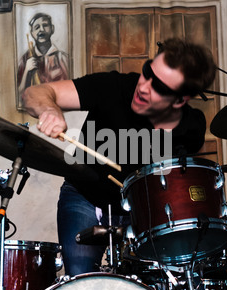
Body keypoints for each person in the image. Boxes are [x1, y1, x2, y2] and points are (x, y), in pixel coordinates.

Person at [23, 38, 216, 276]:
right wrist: (50, 109)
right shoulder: (114, 86)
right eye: (147, 73)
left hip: (143, 211)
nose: (144, 87)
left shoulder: (190, 129)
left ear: (180, 100)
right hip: (86, 198)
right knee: (83, 282)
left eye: (160, 87)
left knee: (158, 283)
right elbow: (36, 92)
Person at [17, 13, 69, 103]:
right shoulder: (25, 59)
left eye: (45, 25)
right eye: (37, 27)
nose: (41, 30)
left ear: (52, 29)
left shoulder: (63, 58)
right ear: (32, 33)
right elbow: (19, 95)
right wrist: (27, 71)